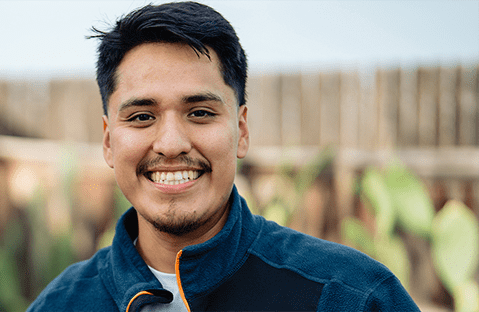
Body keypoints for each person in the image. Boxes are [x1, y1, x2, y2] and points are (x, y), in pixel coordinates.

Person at [28, 2, 419, 311]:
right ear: (109, 141)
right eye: (142, 117)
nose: (171, 143)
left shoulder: (351, 297)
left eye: (199, 113)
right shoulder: (60, 304)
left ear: (241, 131)